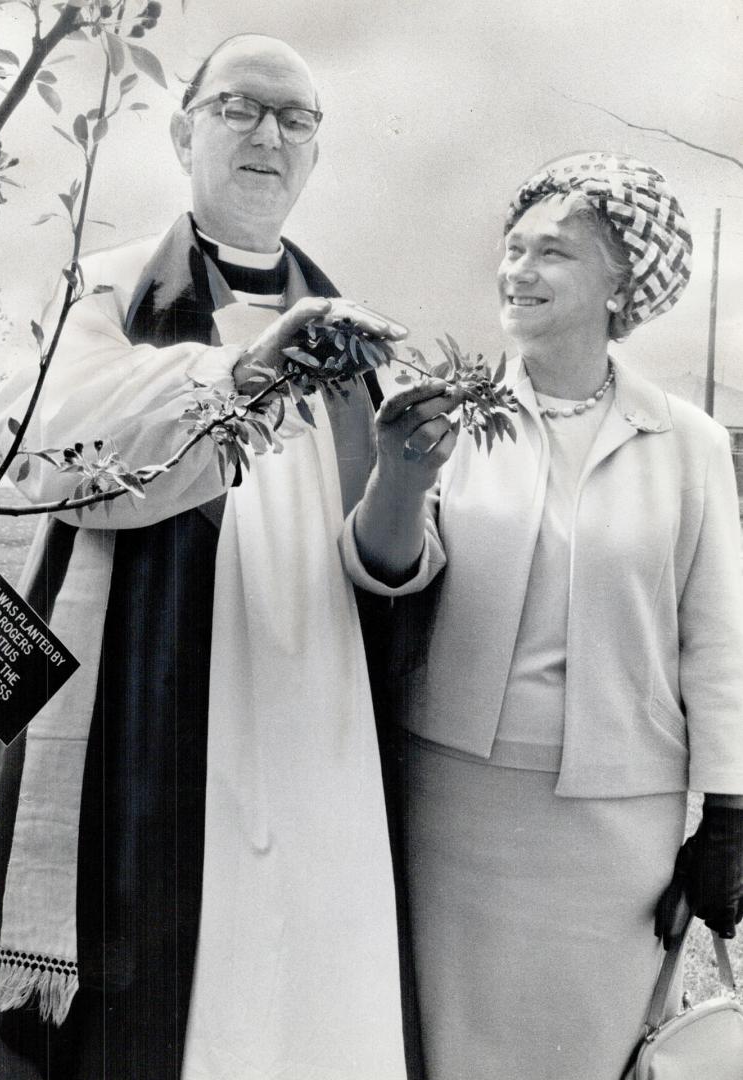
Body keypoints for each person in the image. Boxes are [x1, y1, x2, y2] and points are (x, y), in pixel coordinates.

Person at [0, 35, 412, 1080]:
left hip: (305, 692)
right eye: (239, 108)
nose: (269, 134)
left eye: (296, 119)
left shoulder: (356, 330)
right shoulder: (112, 288)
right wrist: (246, 372)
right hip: (142, 667)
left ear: (316, 155)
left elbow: (381, 530)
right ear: (183, 132)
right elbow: (65, 439)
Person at [342, 151, 743, 1079]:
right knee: (452, 1048)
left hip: (616, 823)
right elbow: (388, 575)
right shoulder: (457, 415)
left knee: (591, 1052)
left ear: (621, 284)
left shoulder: (683, 441)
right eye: (512, 248)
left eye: (552, 253)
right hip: (459, 801)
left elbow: (716, 637)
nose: (517, 270)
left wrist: (728, 816)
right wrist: (401, 473)